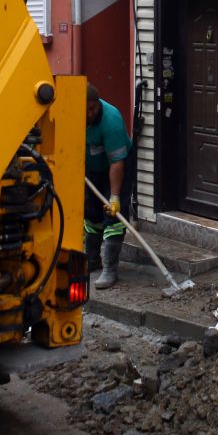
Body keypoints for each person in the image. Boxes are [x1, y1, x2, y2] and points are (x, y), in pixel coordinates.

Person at [84, 85, 131, 288]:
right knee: (91, 212)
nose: (89, 113)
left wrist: (114, 197)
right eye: (85, 109)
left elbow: (116, 163)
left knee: (113, 217)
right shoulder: (69, 115)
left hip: (116, 167)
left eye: (93, 108)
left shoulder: (110, 121)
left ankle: (110, 269)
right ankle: (92, 259)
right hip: (90, 169)